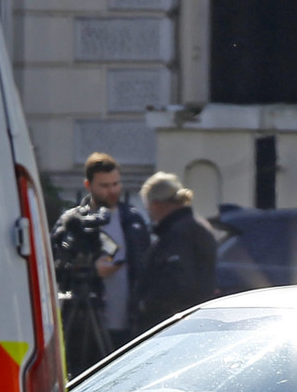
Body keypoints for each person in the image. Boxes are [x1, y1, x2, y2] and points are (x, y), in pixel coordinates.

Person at [54, 153, 151, 372]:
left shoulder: (133, 220)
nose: (112, 190)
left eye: (116, 184)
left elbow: (145, 265)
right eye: (104, 185)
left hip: (127, 320)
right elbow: (55, 264)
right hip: (83, 321)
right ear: (88, 185)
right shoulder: (73, 222)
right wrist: (90, 270)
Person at [136, 172, 218, 329]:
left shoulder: (177, 234)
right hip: (195, 319)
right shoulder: (196, 227)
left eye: (148, 207)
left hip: (172, 322)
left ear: (156, 204)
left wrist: (148, 304)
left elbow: (176, 283)